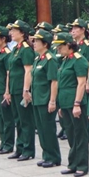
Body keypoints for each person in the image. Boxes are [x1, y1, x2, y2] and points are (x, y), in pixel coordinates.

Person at [54, 32, 89, 176]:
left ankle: (82, 165)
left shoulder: (78, 60)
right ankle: (72, 163)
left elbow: (81, 83)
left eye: (60, 46)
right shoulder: (65, 60)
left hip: (75, 103)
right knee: (70, 133)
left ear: (69, 45)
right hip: (65, 102)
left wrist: (77, 103)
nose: (58, 49)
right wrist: (61, 105)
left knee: (80, 134)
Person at [31, 28, 61, 167]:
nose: (34, 43)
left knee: (48, 129)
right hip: (37, 99)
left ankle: (54, 157)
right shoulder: (38, 58)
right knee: (41, 129)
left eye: (37, 41)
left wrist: (52, 101)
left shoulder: (50, 59)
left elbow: (54, 82)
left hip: (46, 99)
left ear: (45, 44)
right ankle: (46, 154)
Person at [8, 20, 36, 161]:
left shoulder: (25, 49)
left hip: (21, 89)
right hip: (14, 88)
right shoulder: (16, 49)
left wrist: (26, 90)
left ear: (22, 33)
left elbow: (28, 70)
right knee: (18, 120)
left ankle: (28, 149)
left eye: (14, 30)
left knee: (25, 121)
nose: (11, 33)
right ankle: (19, 147)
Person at [0, 26, 16, 154]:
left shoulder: (7, 54)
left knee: (6, 118)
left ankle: (9, 143)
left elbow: (8, 74)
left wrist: (7, 91)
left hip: (3, 89)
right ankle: (2, 141)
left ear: (3, 38)